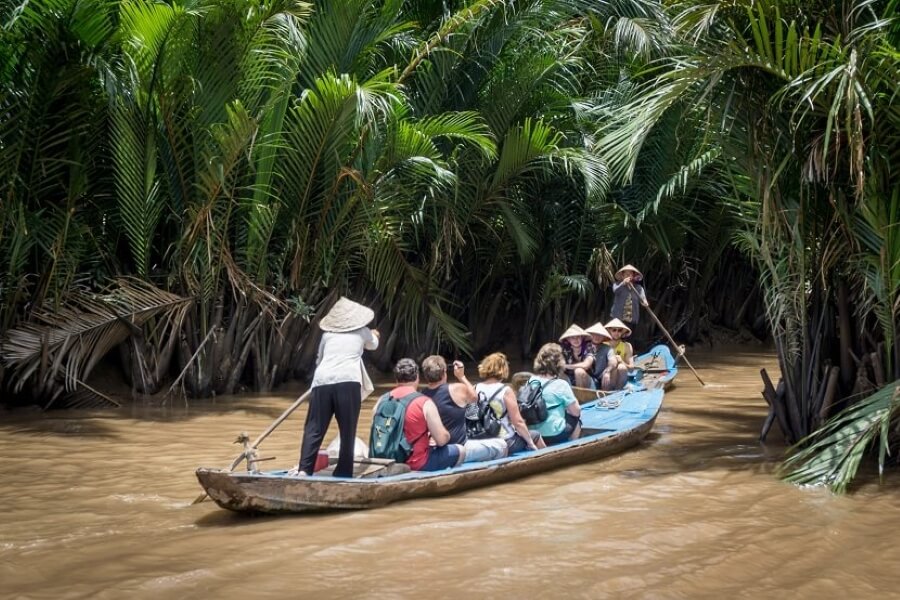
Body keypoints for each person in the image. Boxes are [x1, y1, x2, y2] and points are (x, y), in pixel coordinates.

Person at [295, 297, 380, 478]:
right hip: (348, 382)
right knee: (348, 429)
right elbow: (373, 345)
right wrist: (376, 334)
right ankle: (343, 472)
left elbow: (319, 359)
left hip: (322, 380)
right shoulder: (363, 331)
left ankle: (304, 469)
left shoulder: (327, 335)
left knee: (314, 428)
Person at [372, 358, 465, 471]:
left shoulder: (381, 400)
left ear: (396, 379)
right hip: (416, 463)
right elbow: (442, 440)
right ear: (417, 377)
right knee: (460, 450)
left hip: (384, 460)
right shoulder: (424, 402)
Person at [421, 355, 508, 462]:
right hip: (459, 448)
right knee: (502, 445)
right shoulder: (456, 389)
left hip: (437, 447)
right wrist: (461, 376)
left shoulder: (422, 394)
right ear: (444, 371)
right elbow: (474, 398)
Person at [475, 352, 545, 455]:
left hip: (482, 438)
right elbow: (518, 422)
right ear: (503, 369)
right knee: (535, 435)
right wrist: (530, 443)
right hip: (505, 441)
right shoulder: (505, 390)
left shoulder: (476, 388)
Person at [527, 343, 582, 445]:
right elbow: (576, 411)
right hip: (554, 433)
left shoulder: (531, 380)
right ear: (559, 363)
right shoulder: (561, 384)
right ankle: (572, 446)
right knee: (577, 419)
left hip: (535, 435)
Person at [610, 264, 648, 350]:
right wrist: (623, 283)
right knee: (616, 336)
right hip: (618, 318)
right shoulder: (617, 284)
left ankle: (628, 355)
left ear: (634, 276)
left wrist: (645, 302)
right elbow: (615, 291)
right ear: (622, 275)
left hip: (631, 319)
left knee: (629, 339)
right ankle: (613, 353)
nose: (629, 276)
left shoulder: (638, 288)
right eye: (626, 274)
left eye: (630, 274)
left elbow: (643, 299)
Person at [559, 324, 595, 388]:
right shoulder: (564, 349)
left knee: (579, 371)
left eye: (578, 337)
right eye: (573, 337)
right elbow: (559, 365)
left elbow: (586, 365)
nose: (576, 340)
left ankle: (580, 396)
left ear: (582, 337)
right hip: (570, 381)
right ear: (568, 339)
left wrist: (566, 366)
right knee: (558, 373)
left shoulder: (589, 346)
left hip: (588, 383)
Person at [584, 322, 618, 391]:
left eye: (600, 335)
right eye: (595, 334)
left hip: (603, 378)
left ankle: (606, 396)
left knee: (614, 369)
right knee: (579, 371)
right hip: (589, 379)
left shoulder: (607, 348)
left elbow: (613, 361)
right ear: (590, 335)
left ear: (603, 337)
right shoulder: (583, 347)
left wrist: (607, 371)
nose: (597, 337)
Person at [605, 318, 634, 390]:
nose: (616, 332)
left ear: (622, 332)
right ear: (609, 331)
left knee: (622, 367)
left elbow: (631, 369)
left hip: (619, 378)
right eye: (614, 330)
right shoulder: (603, 345)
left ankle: (618, 390)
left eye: (619, 330)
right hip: (605, 375)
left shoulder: (627, 346)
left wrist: (622, 361)